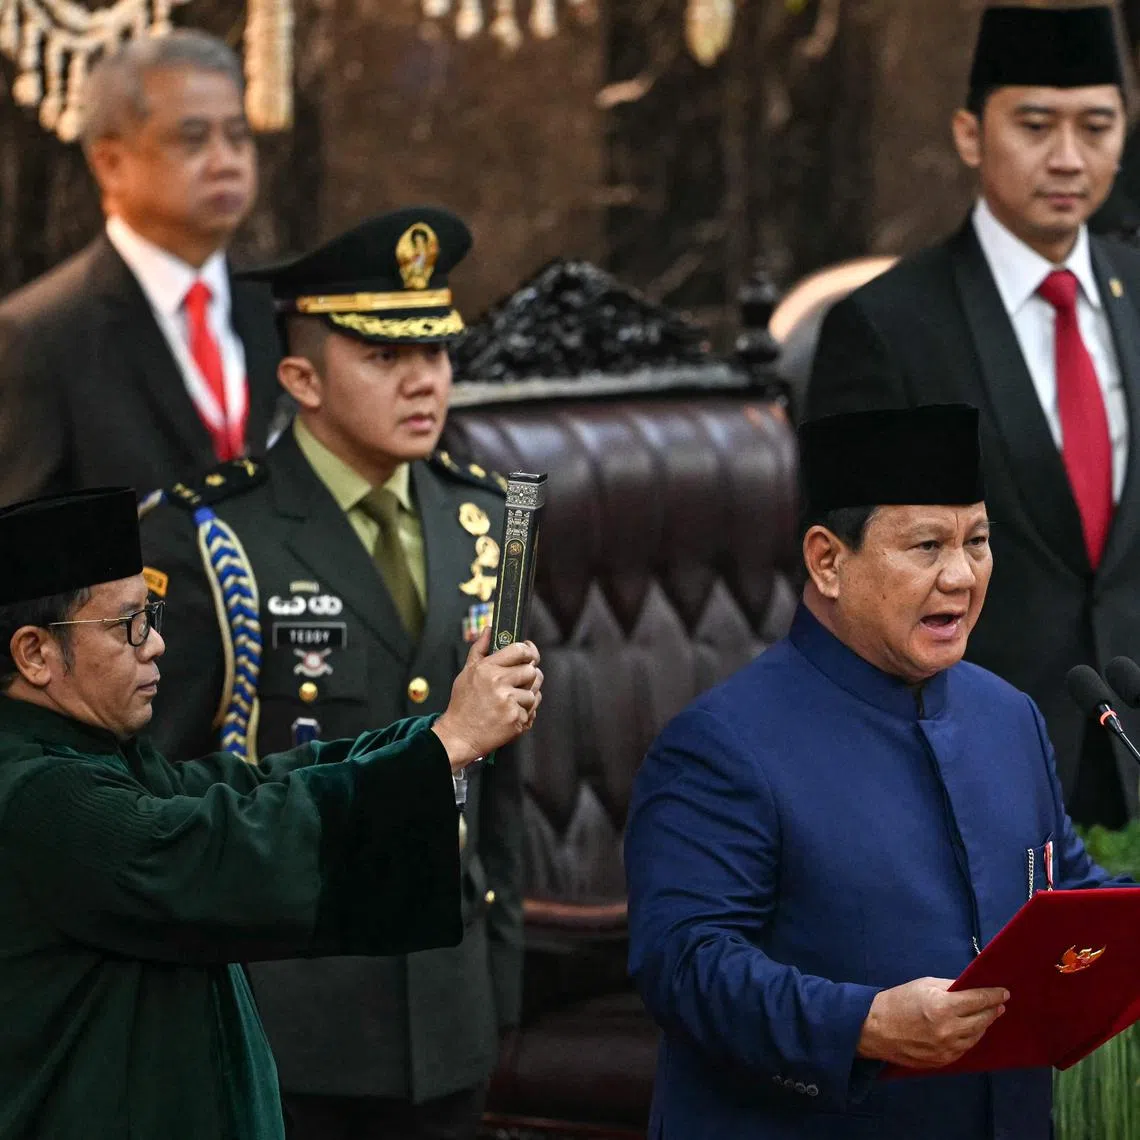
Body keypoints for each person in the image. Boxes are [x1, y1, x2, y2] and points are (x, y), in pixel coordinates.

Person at [625, 403, 1130, 1140]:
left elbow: (1066, 901)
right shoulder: (721, 746)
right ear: (829, 561)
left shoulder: (1008, 717)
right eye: (926, 546)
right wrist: (862, 1024)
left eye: (978, 541)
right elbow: (685, 967)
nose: (960, 575)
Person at [139, 206, 521, 1140]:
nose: (424, 380)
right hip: (285, 1013)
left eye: (435, 351)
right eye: (384, 358)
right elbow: (160, 794)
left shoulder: (487, 521)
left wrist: (499, 982)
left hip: (448, 1011)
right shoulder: (207, 539)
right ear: (302, 378)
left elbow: (504, 779)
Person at [0, 486, 543, 1140]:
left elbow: (255, 785)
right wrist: (446, 744)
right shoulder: (33, 791)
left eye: (153, 615)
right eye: (128, 626)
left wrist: (441, 736)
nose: (155, 647)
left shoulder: (100, 757)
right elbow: (220, 849)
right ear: (33, 654)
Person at [806, 4, 1140, 829]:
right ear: (968, 134)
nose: (1068, 157)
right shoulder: (889, 327)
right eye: (1035, 124)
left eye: (1096, 126)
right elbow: (855, 585)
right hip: (967, 777)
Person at [0, 30, 282, 503]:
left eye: (238, 136)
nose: (226, 162)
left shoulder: (275, 304)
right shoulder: (40, 335)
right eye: (193, 140)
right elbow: (25, 552)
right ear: (111, 164)